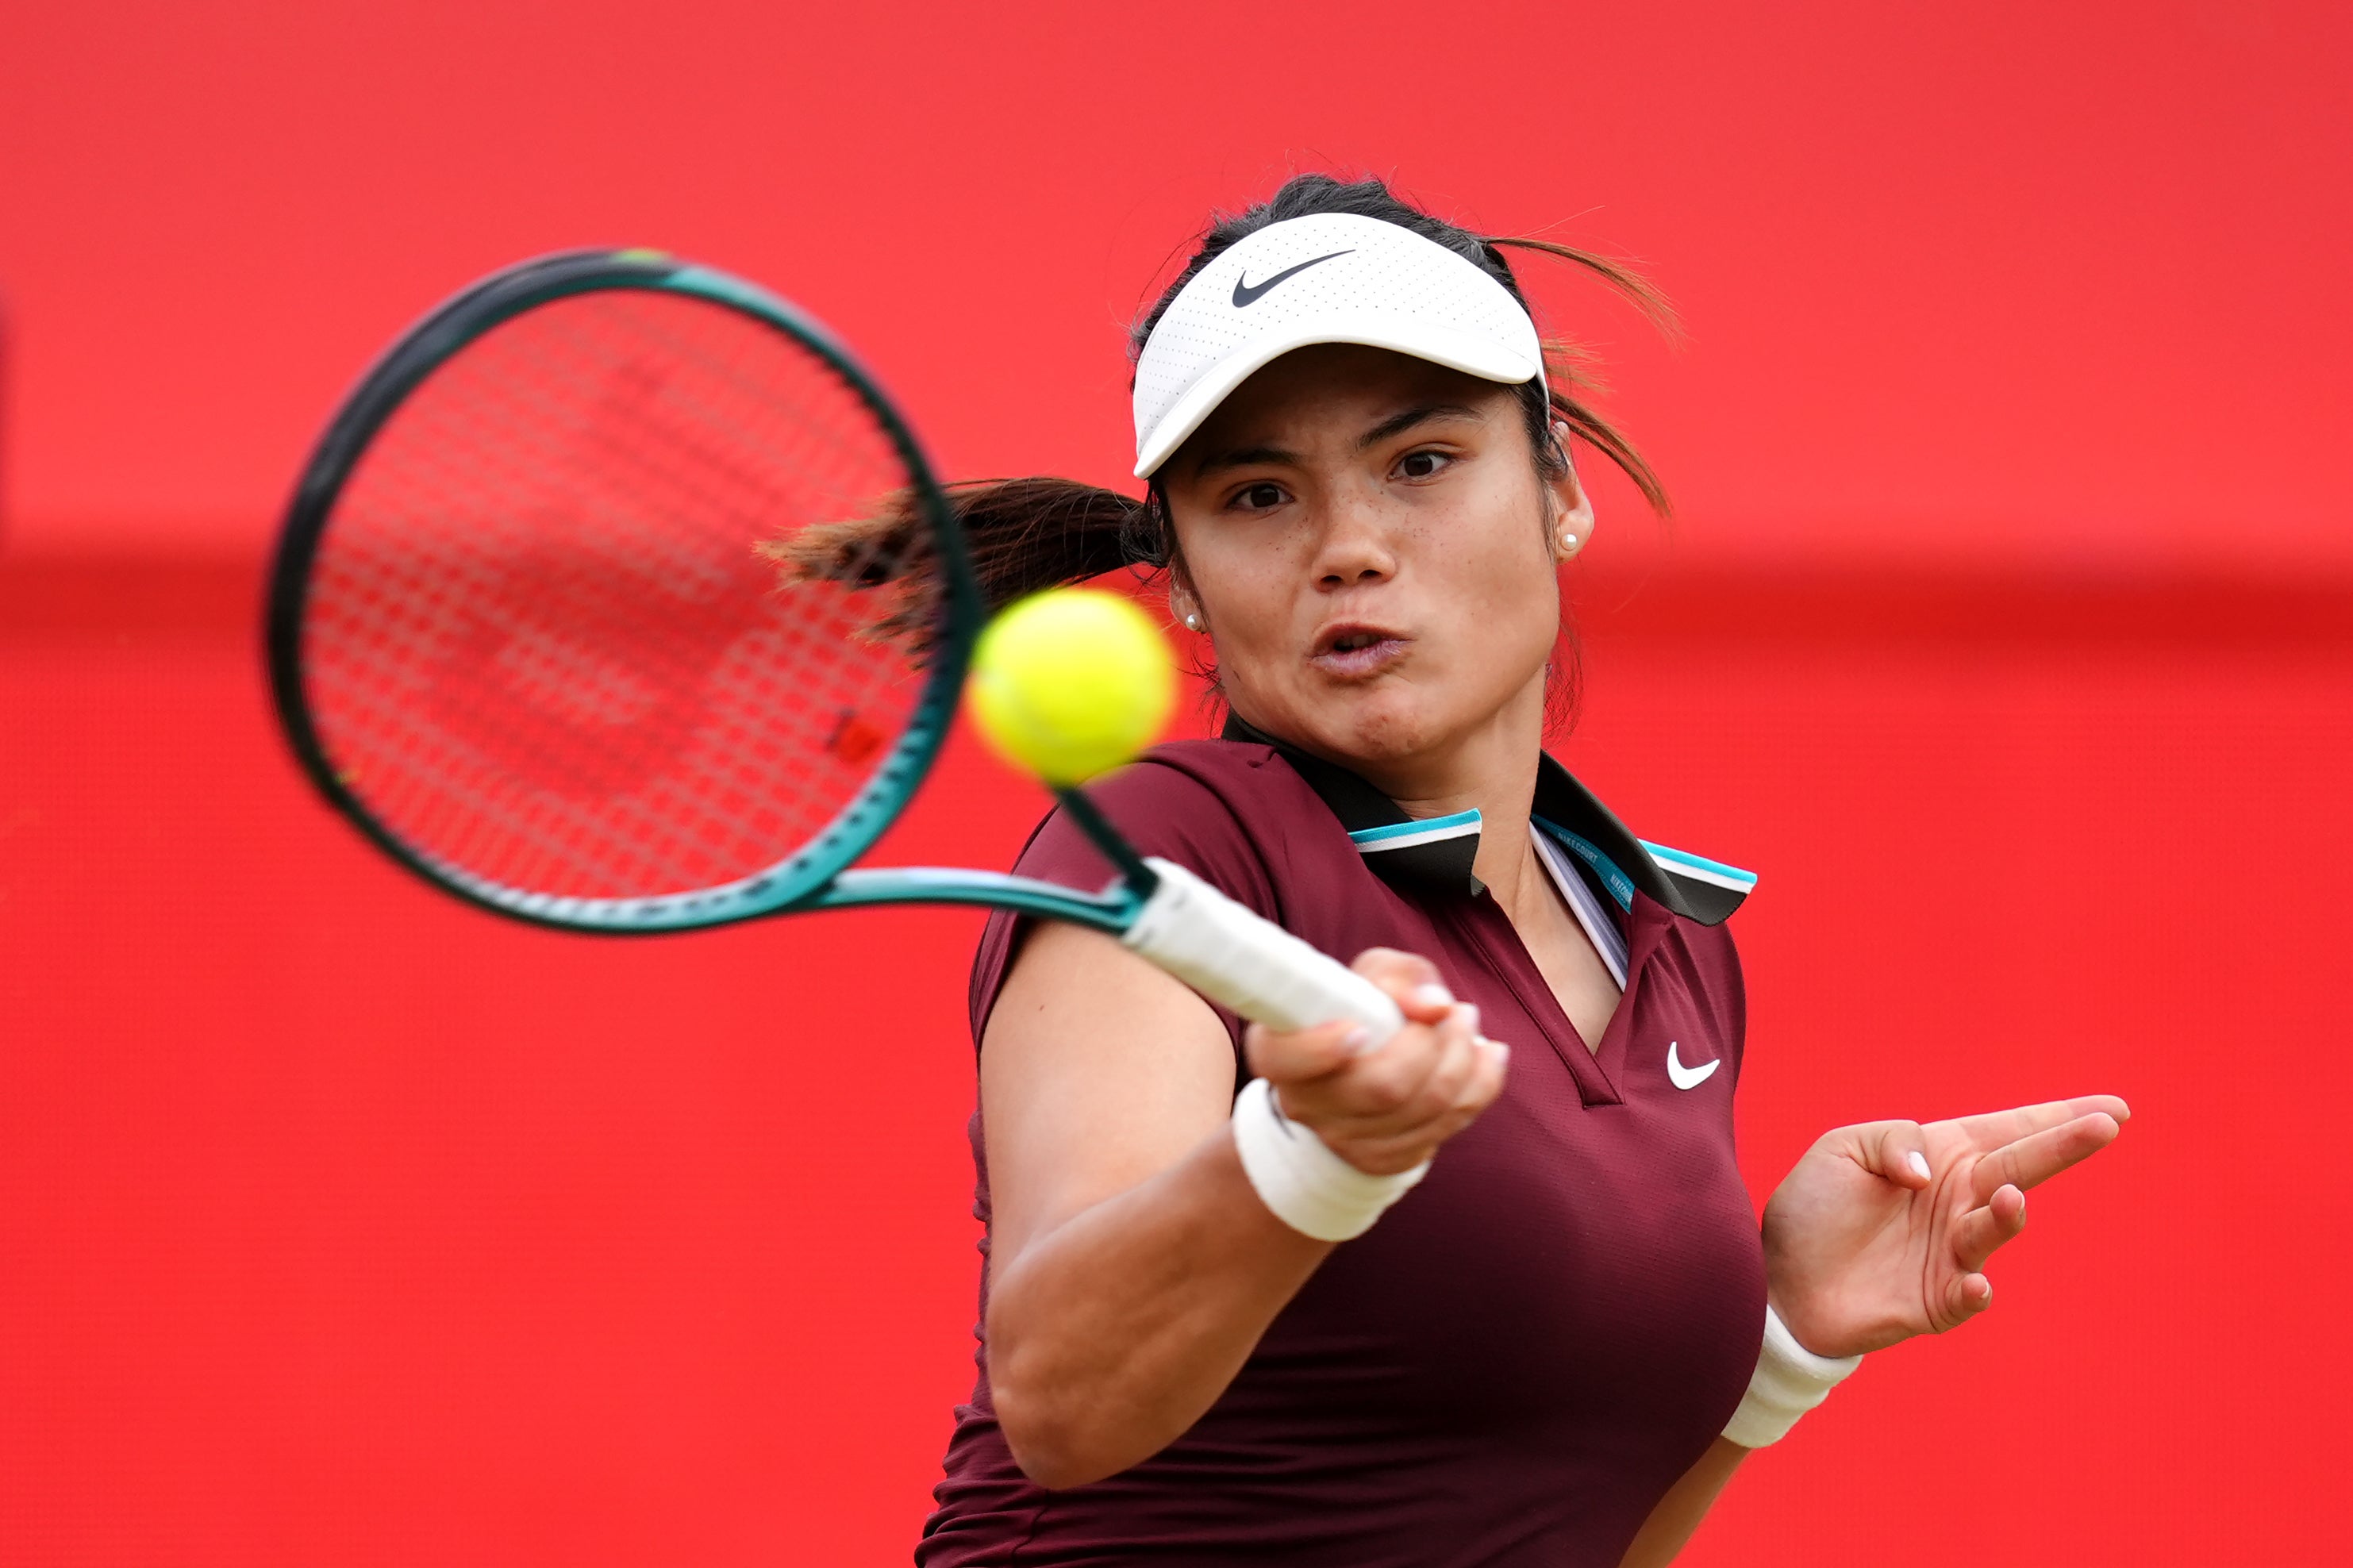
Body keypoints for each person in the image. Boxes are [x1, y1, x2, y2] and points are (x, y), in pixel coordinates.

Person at [890, 175, 2128, 1566]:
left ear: (1559, 492)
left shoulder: (1663, 940)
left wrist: (1782, 1339)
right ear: (1182, 579)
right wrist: (1310, 1156)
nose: (1348, 549)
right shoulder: (1167, 849)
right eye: (1258, 495)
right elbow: (1060, 1402)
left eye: (1419, 462)